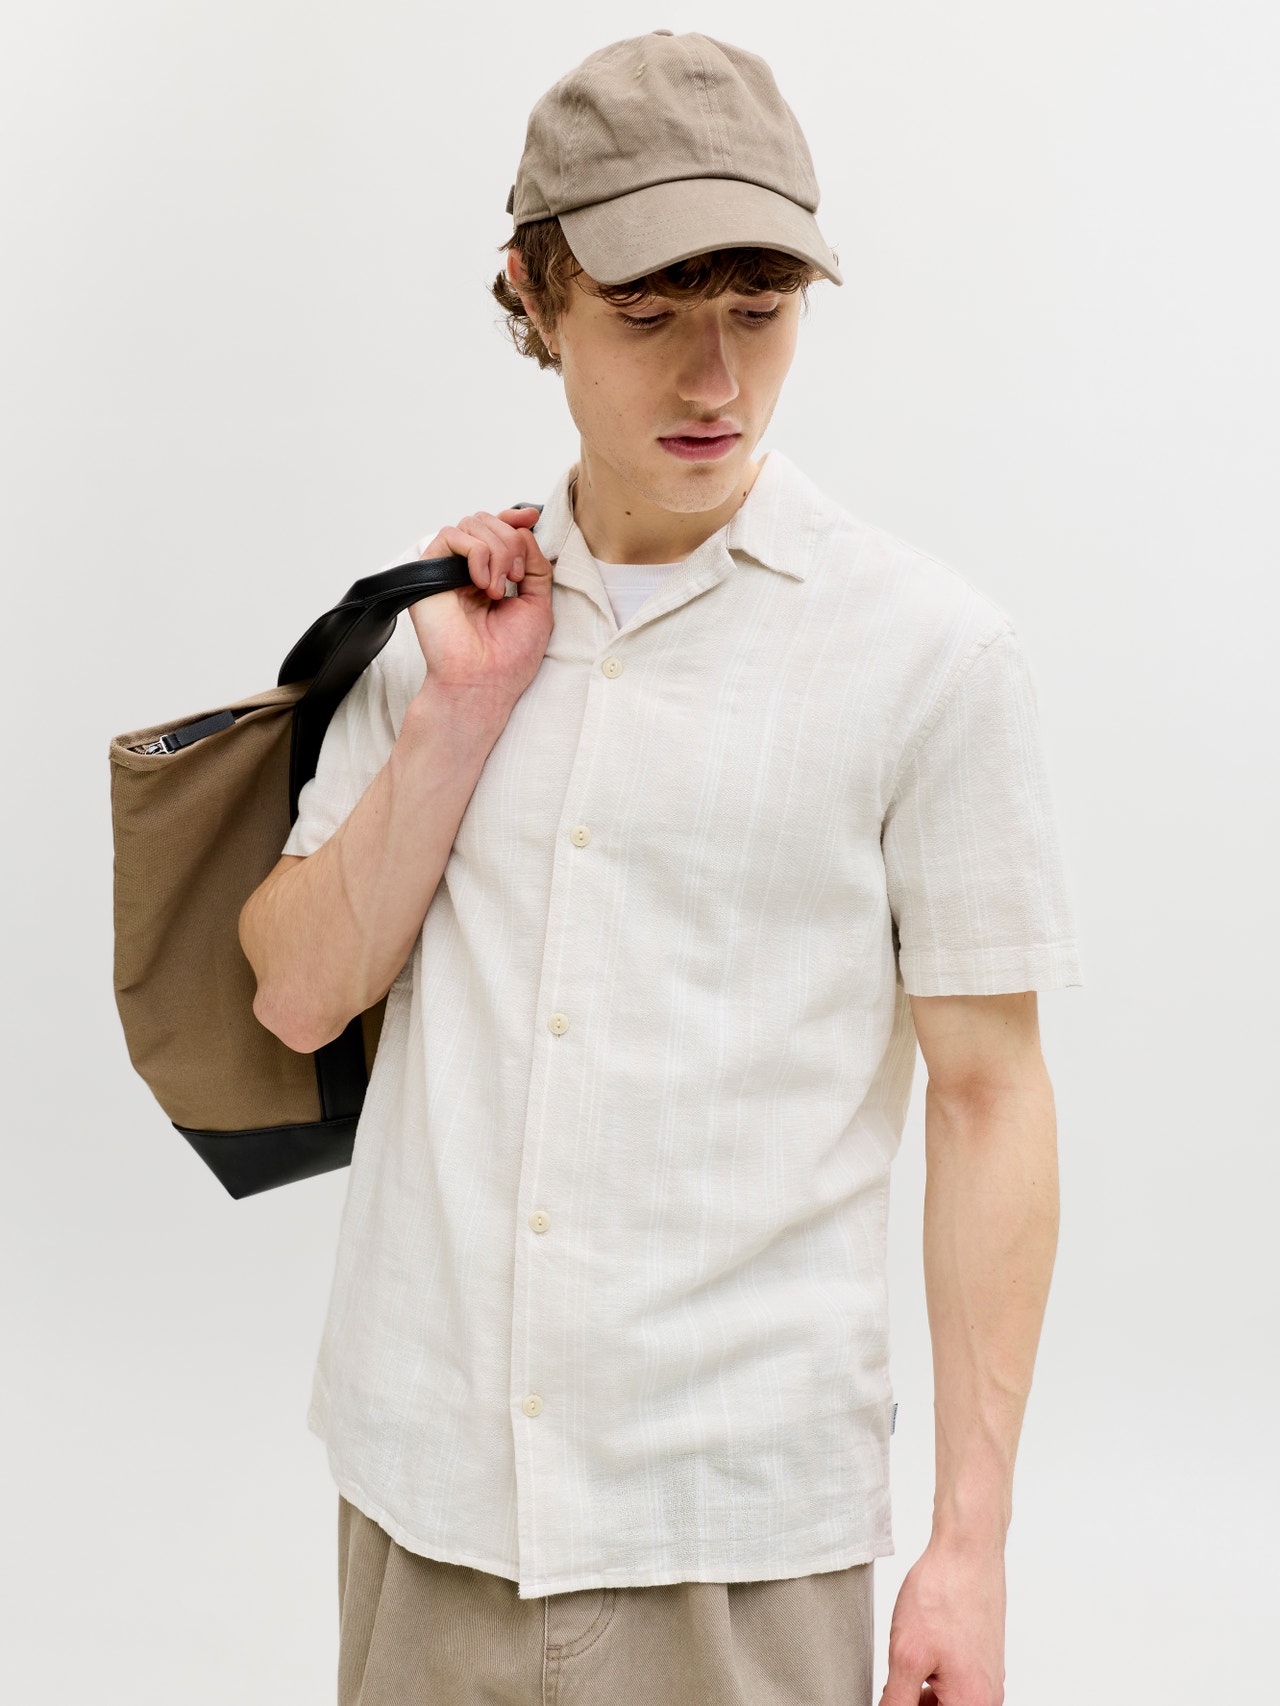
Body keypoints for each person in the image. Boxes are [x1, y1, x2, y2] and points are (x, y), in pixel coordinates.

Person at [239, 29, 1080, 1706]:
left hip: (731, 1535)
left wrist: (970, 1546)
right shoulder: (435, 626)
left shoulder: (930, 657)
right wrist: (456, 721)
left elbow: (992, 1096)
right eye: (648, 312)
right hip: (425, 1497)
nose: (714, 378)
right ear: (534, 293)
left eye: (759, 311)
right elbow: (297, 994)